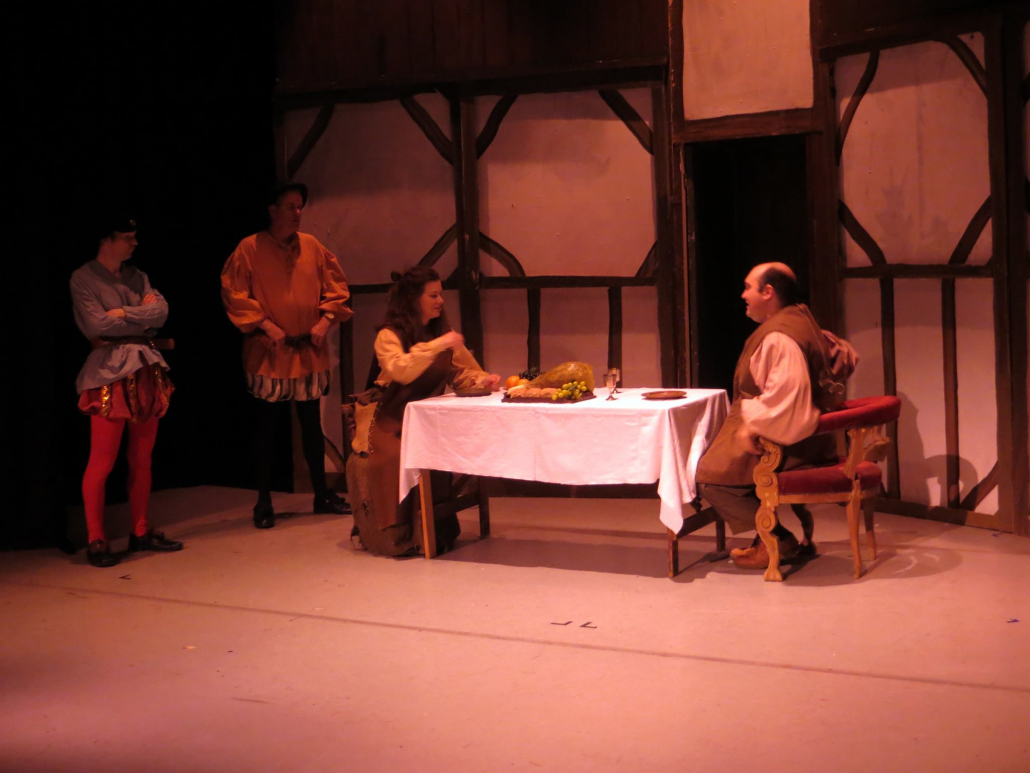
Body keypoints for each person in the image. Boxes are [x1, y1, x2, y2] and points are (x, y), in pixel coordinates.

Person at [695, 262, 857, 570]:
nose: (743, 295)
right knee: (720, 462)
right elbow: (844, 355)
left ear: (768, 292)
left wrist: (751, 426)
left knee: (712, 479)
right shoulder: (800, 318)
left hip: (793, 444)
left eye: (748, 288)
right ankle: (769, 538)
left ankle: (775, 540)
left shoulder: (780, 337)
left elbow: (787, 399)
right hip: (810, 437)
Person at [221, 181, 353, 528]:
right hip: (271, 352)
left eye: (299, 206)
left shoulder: (312, 246)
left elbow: (337, 288)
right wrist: (266, 325)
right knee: (267, 427)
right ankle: (263, 501)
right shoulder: (249, 248)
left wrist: (325, 321)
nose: (298, 212)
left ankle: (321, 494)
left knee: (311, 425)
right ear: (273, 210)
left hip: (308, 351)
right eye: (291, 206)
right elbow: (234, 293)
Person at [347, 266, 500, 557]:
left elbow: (462, 373)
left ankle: (435, 531)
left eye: (440, 295)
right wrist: (436, 346)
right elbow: (402, 370)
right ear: (413, 299)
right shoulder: (389, 336)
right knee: (394, 458)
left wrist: (483, 381)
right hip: (392, 419)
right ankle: (398, 536)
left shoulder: (443, 334)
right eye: (433, 295)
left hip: (429, 419)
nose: (440, 301)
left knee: (442, 452)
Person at [71, 214, 182, 568]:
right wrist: (138, 315)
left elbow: (161, 312)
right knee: (102, 461)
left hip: (145, 368)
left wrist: (122, 312)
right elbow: (97, 324)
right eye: (127, 237)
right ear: (107, 240)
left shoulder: (138, 276)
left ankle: (140, 530)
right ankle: (96, 537)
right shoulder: (83, 278)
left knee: (142, 457)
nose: (134, 243)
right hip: (108, 374)